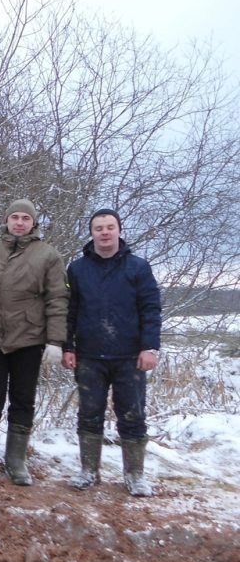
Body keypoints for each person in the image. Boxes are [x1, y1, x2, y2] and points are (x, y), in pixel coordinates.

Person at [0, 198, 68, 486]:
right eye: (15, 217)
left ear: (34, 223)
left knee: (23, 400)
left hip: (29, 340)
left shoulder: (48, 256)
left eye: (25, 218)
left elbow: (57, 300)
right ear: (6, 220)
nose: (19, 222)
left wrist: (56, 341)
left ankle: (16, 462)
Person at [63, 208, 161, 496]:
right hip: (90, 356)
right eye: (98, 228)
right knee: (89, 414)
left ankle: (134, 475)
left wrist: (149, 346)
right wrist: (68, 346)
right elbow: (70, 311)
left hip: (129, 357)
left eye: (109, 227)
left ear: (119, 230)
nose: (104, 233)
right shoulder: (77, 269)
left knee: (132, 416)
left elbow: (151, 309)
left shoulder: (138, 267)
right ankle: (88, 471)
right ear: (91, 233)